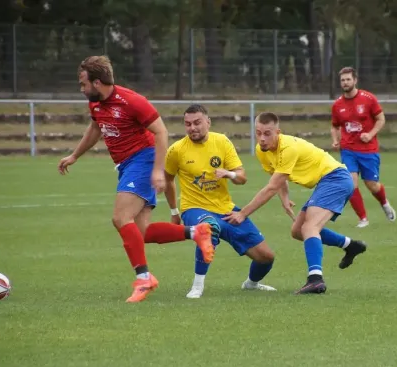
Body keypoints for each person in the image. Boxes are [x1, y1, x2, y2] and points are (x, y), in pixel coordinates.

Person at [57, 56, 214, 303]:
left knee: (120, 218)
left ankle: (144, 279)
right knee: (140, 233)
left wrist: (157, 171)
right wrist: (75, 155)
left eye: (83, 83)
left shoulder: (131, 101)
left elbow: (161, 131)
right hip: (126, 165)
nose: (81, 88)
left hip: (143, 160)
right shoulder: (96, 104)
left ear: (97, 82)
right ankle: (197, 232)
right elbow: (96, 128)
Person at [223, 112, 367, 294]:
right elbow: (279, 178)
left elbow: (270, 188)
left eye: (267, 133)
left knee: (309, 228)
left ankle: (315, 279)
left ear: (278, 132)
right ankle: (350, 245)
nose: (262, 139)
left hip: (336, 178)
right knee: (298, 231)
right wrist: (284, 200)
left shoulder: (288, 147)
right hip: (326, 182)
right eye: (258, 133)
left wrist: (243, 213)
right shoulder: (263, 151)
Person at [164, 104, 276, 299]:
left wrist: (229, 174)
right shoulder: (176, 150)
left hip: (226, 210)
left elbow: (242, 178)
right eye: (188, 124)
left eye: (197, 122)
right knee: (208, 227)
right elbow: (167, 180)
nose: (193, 128)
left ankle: (251, 284)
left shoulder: (222, 142)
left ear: (208, 122)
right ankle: (197, 286)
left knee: (266, 257)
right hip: (194, 209)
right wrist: (174, 211)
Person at [331, 66, 396, 228]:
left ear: (355, 80)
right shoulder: (338, 104)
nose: (345, 82)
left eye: (348, 79)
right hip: (348, 149)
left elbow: (381, 119)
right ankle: (363, 218)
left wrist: (371, 134)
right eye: (342, 80)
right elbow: (335, 126)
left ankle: (384, 203)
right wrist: (335, 140)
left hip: (368, 150)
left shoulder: (368, 99)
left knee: (372, 185)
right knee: (350, 184)